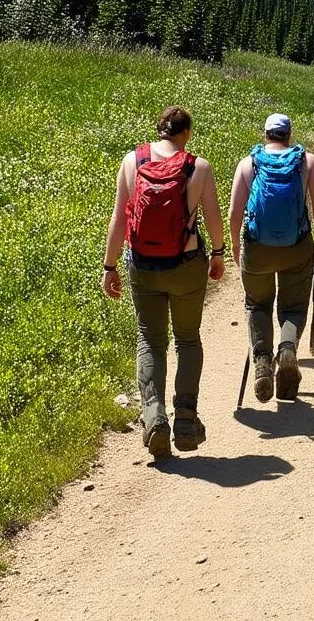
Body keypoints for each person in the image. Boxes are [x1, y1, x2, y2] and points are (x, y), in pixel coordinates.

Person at [102, 106, 226, 459]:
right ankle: (186, 417)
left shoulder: (132, 161)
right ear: (185, 132)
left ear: (159, 130)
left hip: (143, 266)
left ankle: (154, 418)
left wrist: (109, 267)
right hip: (186, 264)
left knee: (150, 340)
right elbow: (214, 218)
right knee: (187, 338)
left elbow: (119, 220)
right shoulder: (197, 167)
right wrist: (218, 254)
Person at [229, 113, 314, 402]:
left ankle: (262, 360)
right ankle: (286, 349)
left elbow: (235, 213)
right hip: (296, 247)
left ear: (265, 134)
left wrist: (236, 244)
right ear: (289, 134)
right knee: (293, 306)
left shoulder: (249, 164)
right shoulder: (307, 162)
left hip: (257, 249)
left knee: (258, 304)